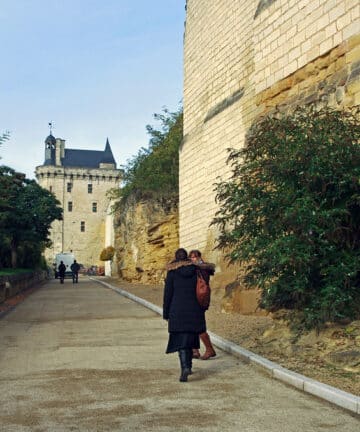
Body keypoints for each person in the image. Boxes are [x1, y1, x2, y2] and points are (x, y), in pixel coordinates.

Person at [163, 248, 206, 382]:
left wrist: (166, 312)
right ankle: (189, 366)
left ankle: (185, 367)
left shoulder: (172, 272)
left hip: (177, 310)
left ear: (176, 258)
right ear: (186, 257)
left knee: (180, 342)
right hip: (194, 310)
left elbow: (168, 294)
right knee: (190, 339)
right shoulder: (196, 270)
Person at [189, 250, 217, 360]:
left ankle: (209, 349)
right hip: (196, 300)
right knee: (193, 325)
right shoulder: (200, 268)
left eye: (195, 257)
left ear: (200, 257)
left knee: (199, 326)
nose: (193, 259)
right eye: (191, 257)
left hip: (199, 301)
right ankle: (195, 350)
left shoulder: (202, 268)